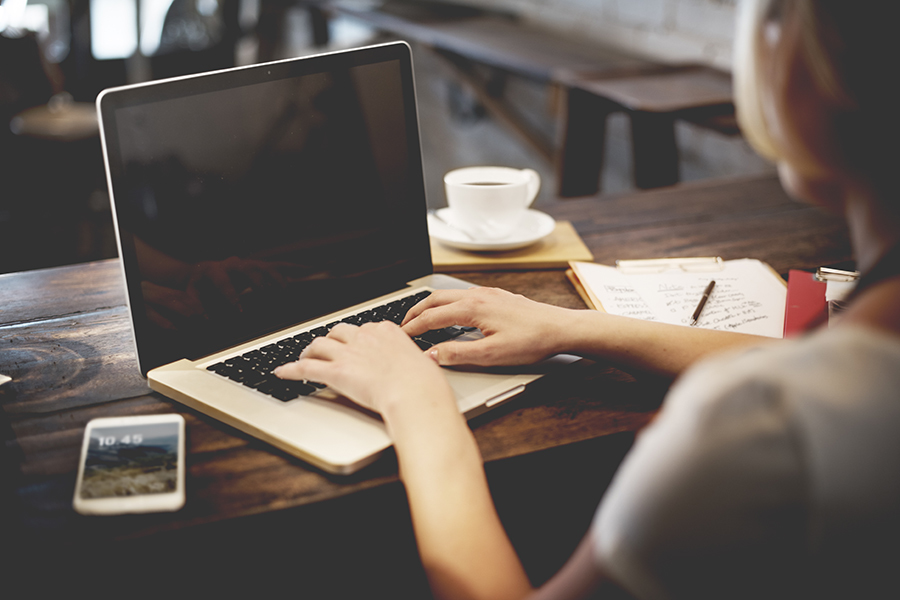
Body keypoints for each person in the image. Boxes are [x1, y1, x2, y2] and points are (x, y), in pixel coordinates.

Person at [275, 1, 900, 598]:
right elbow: (800, 359)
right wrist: (577, 327)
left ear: (840, 69)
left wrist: (414, 402)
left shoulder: (759, 425)